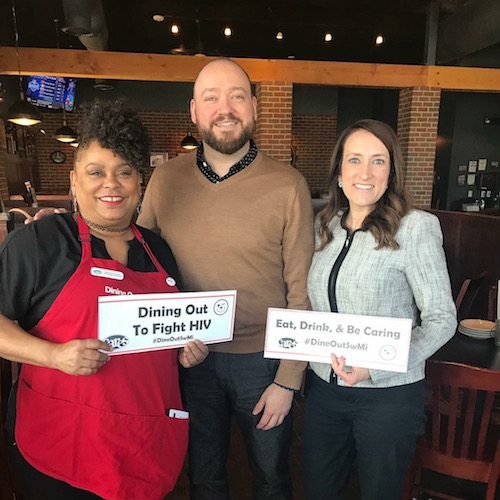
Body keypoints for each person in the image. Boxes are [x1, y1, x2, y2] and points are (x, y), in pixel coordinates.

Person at [0, 98, 208, 500]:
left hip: (144, 443)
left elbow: (168, 330)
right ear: (75, 182)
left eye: (124, 172)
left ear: (139, 184)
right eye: (96, 172)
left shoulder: (159, 251)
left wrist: (184, 349)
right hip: (62, 447)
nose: (110, 184)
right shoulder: (39, 243)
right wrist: (54, 356)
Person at [138, 58, 314, 499]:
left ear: (253, 107)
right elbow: (142, 267)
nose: (226, 108)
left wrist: (289, 380)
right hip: (190, 358)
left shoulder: (288, 185)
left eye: (237, 96)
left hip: (264, 361)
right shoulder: (164, 180)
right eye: (212, 97)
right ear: (194, 110)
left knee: (272, 477)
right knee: (204, 477)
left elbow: (302, 289)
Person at [303, 119, 457, 500]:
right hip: (325, 389)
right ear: (339, 172)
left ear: (391, 172)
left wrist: (378, 366)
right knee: (320, 490)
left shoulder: (415, 228)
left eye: (378, 161)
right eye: (354, 160)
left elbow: (441, 320)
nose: (365, 173)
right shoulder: (323, 227)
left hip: (387, 396)